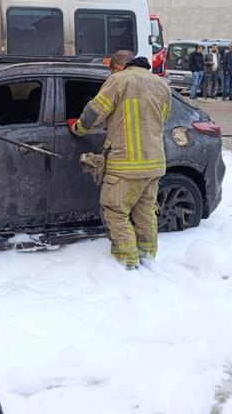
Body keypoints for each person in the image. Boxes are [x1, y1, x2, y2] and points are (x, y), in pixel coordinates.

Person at [68, 50, 172, 269]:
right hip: (154, 163)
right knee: (145, 213)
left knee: (115, 211)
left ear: (116, 67)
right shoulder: (161, 84)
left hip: (126, 165)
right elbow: (162, 119)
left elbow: (94, 113)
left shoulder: (119, 80)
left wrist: (77, 127)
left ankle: (127, 263)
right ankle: (147, 258)